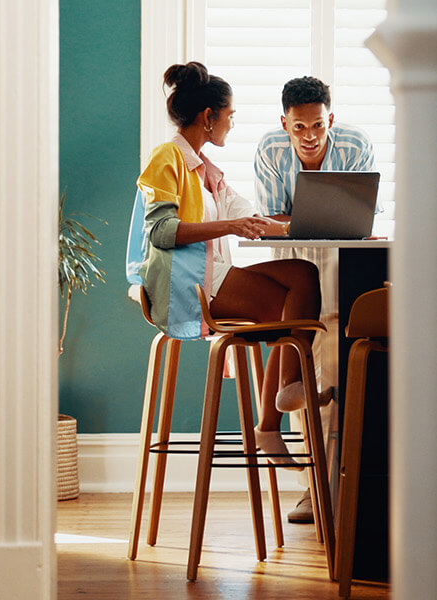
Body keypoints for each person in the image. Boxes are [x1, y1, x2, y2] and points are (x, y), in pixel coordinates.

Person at [127, 61, 318, 468]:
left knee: (303, 275)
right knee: (291, 304)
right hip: (190, 285)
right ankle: (279, 407)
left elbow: (249, 216)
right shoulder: (167, 158)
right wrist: (231, 225)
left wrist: (316, 225)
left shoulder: (205, 170)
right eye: (229, 116)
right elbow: (161, 231)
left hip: (213, 276)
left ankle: (286, 391)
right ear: (208, 118)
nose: (231, 124)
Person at [252, 75, 378, 523]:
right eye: (299, 127)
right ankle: (312, 487)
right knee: (302, 371)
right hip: (296, 270)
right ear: (284, 122)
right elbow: (271, 220)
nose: (309, 136)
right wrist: (309, 221)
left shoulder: (355, 144)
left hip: (345, 265)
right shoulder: (270, 150)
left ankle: (346, 483)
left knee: (342, 374)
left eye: (318, 126)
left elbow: (359, 215)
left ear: (331, 120)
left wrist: (302, 219)